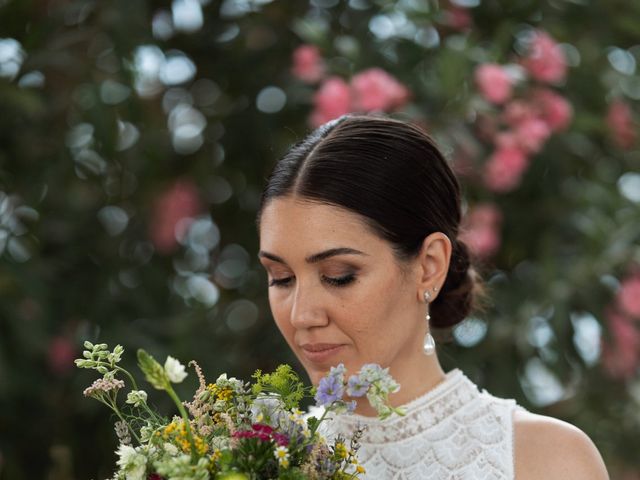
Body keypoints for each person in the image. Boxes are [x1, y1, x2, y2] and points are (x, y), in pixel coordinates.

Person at [255, 114, 609, 479]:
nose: (301, 315)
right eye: (281, 278)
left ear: (429, 265)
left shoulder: (545, 460)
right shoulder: (256, 458)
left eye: (339, 277)